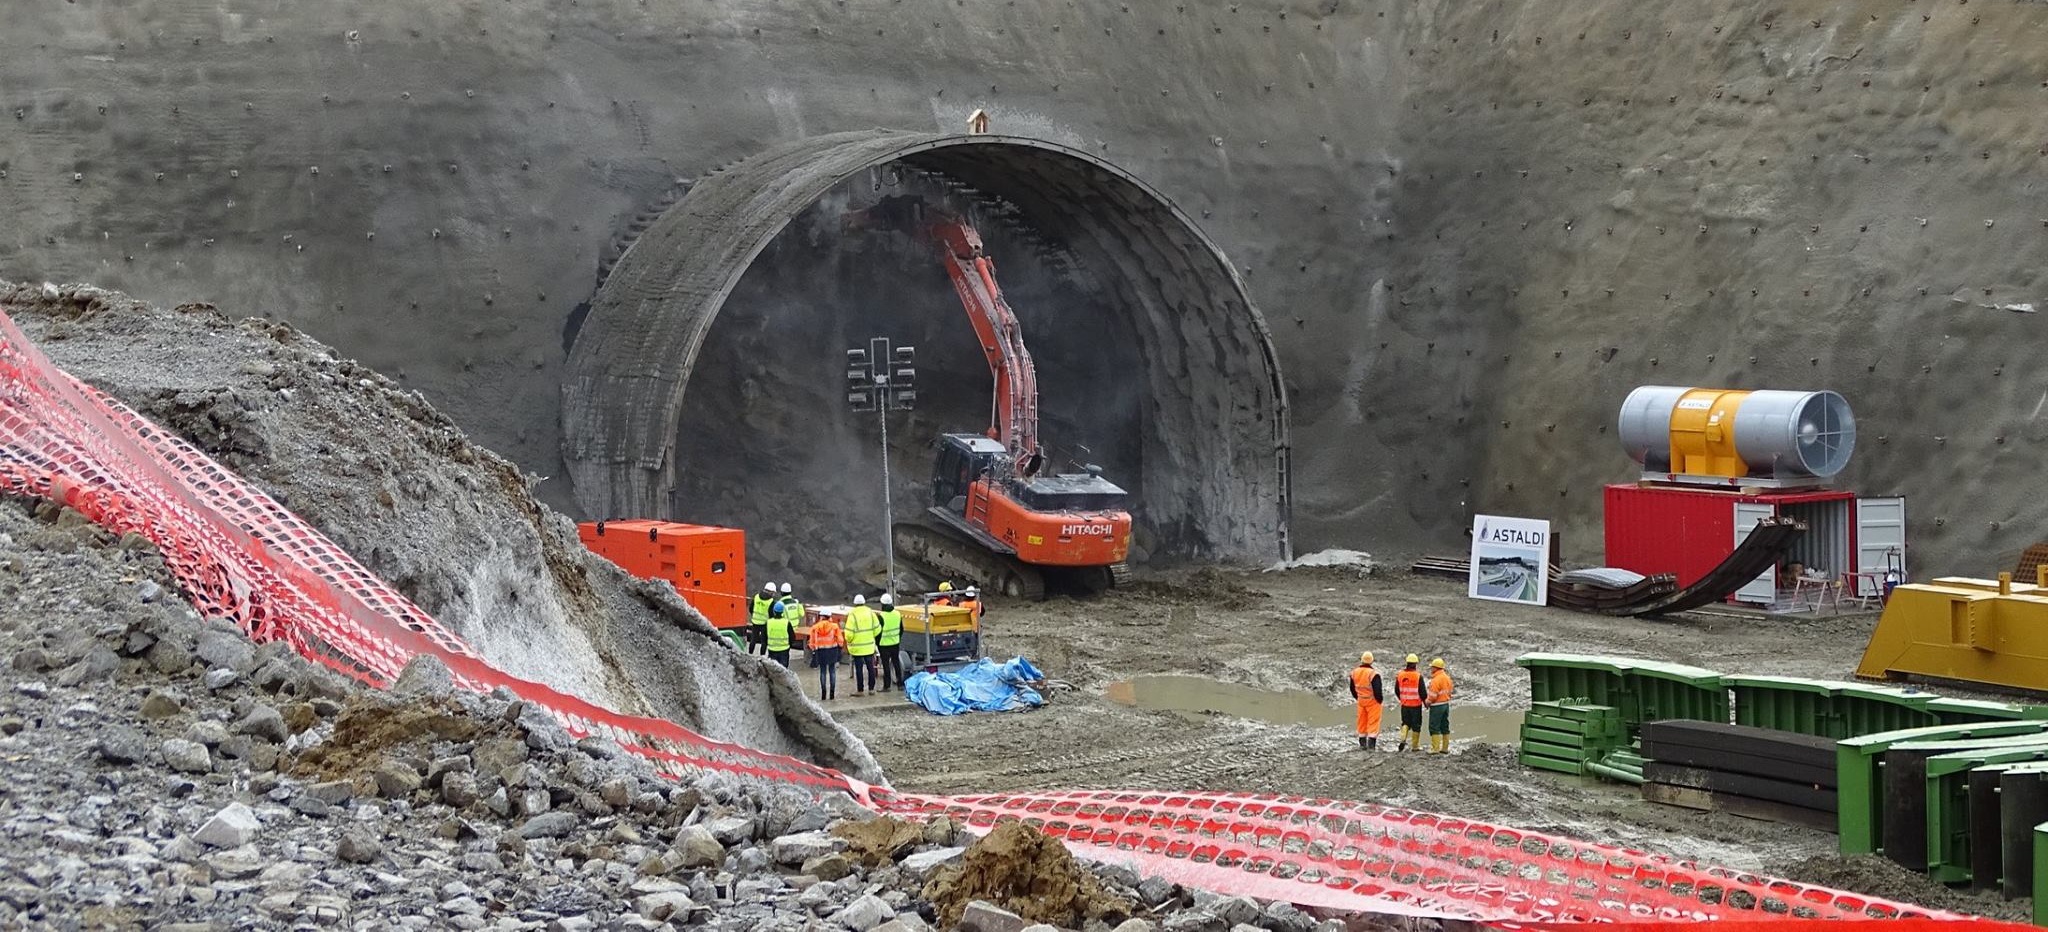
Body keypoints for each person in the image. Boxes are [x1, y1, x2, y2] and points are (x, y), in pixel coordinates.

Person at [844, 594, 882, 697]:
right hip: (869, 646)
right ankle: (871, 689)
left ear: (855, 603)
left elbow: (849, 633)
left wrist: (850, 640)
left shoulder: (852, 614)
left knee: (859, 669)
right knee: (871, 668)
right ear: (864, 602)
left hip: (857, 648)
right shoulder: (870, 612)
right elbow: (878, 629)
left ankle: (860, 690)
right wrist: (871, 636)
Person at [1347, 651, 1383, 751]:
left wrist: (1358, 697)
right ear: (1371, 661)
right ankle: (1371, 746)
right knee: (1373, 723)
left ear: (1362, 660)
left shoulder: (1354, 672)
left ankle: (1362, 744)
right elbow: (1378, 690)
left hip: (1361, 701)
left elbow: (1352, 688)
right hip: (1373, 702)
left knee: (1361, 722)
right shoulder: (1373, 674)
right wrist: (1379, 700)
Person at [807, 610, 843, 700]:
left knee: (822, 671)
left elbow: (811, 642)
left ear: (821, 616)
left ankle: (823, 693)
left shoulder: (815, 627)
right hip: (832, 650)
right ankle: (832, 694)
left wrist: (813, 649)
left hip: (821, 651)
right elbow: (840, 640)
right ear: (829, 616)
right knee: (832, 671)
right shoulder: (834, 626)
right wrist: (840, 647)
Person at [1394, 654, 1424, 752]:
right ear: (1415, 664)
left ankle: (1403, 739)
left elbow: (1396, 690)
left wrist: (1402, 699)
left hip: (1405, 705)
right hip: (1416, 705)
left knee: (1405, 723)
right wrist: (1425, 702)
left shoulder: (1400, 675)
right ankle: (1415, 746)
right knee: (1416, 725)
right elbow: (1422, 692)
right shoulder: (1418, 676)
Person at [1425, 657, 1455, 754]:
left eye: (1432, 667)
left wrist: (1427, 702)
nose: (1431, 669)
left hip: (1437, 706)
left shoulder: (1436, 680)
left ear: (1435, 668)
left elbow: (1433, 695)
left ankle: (1435, 748)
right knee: (1444, 726)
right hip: (1445, 704)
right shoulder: (1447, 678)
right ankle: (1445, 748)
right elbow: (1450, 691)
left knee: (1434, 727)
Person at [876, 592, 905, 692]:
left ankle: (887, 686)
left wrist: (877, 642)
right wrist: (897, 638)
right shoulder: (897, 614)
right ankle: (900, 685)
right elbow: (901, 629)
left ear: (882, 604)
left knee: (886, 665)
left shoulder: (881, 616)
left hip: (884, 644)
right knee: (896, 663)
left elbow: (878, 632)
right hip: (895, 643)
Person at [764, 594, 795, 668]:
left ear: (774, 611)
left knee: (773, 670)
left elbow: (764, 637)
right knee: (783, 670)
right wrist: (789, 645)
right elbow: (792, 637)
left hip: (772, 650)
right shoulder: (786, 623)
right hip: (784, 650)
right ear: (783, 612)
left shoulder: (768, 622)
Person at [748, 583, 778, 656]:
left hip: (755, 622)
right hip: (765, 623)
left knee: (753, 640)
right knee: (764, 641)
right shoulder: (771, 601)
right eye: (773, 593)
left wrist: (754, 616)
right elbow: (771, 614)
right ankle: (762, 656)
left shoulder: (756, 597)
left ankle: (749, 654)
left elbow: (751, 608)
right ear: (771, 592)